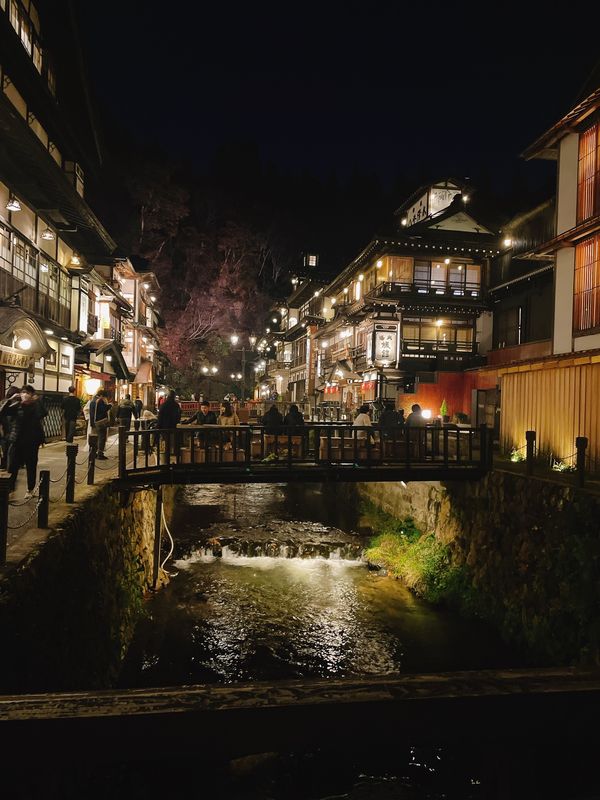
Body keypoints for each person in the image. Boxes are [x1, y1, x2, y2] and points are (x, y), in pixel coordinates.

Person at [8, 386, 47, 497]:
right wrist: (10, 399)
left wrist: (37, 400)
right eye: (23, 392)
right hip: (17, 441)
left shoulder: (36, 407)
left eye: (28, 393)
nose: (25, 395)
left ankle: (30, 489)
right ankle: (10, 489)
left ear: (32, 395)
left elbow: (43, 413)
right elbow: (3, 411)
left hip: (32, 442)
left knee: (31, 466)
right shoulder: (17, 406)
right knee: (13, 466)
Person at [0, 387, 21, 471]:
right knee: (4, 449)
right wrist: (9, 400)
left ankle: (11, 466)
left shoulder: (19, 404)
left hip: (13, 431)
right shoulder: (4, 403)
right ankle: (5, 464)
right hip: (4, 430)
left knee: (11, 450)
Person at [89, 389, 111, 460]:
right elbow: (103, 410)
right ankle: (100, 454)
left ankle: (93, 453)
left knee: (94, 439)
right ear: (101, 395)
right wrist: (109, 406)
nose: (105, 398)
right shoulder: (100, 401)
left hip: (93, 422)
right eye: (104, 397)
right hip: (100, 422)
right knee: (101, 438)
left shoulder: (92, 401)